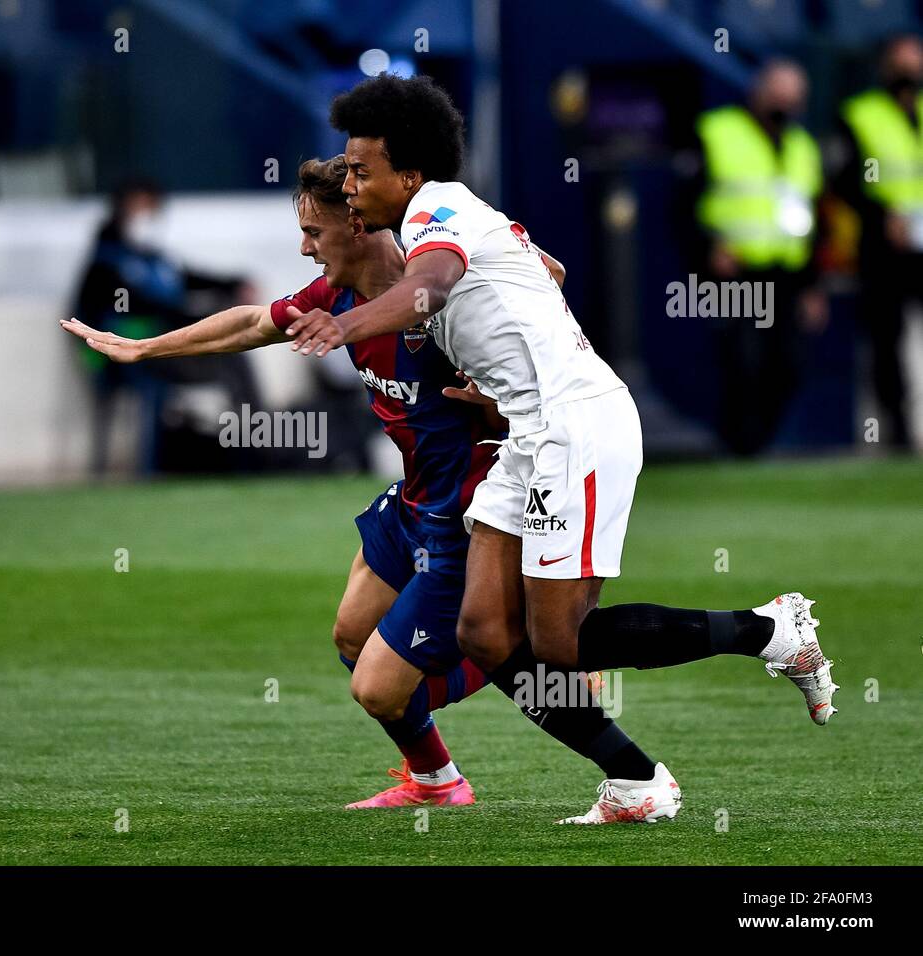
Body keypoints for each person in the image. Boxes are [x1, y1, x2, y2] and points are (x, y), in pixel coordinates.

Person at [285, 75, 838, 824]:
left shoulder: (437, 211)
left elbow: (434, 288)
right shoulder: (442, 219)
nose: (347, 184)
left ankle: (768, 630)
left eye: (360, 169)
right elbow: (544, 275)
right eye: (346, 169)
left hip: (577, 430)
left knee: (558, 645)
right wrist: (513, 375)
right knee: (483, 632)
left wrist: (345, 327)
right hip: (529, 434)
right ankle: (636, 781)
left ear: (408, 174)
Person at [64, 156, 669, 817]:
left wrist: (503, 393)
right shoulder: (336, 296)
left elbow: (539, 272)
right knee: (352, 636)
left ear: (357, 225)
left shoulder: (435, 287)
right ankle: (439, 781)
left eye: (313, 230)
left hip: (465, 509)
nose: (303, 246)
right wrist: (142, 349)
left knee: (383, 687)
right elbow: (249, 323)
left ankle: (541, 666)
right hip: (412, 498)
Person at [72, 177, 260, 474]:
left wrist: (235, 283)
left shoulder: (155, 260)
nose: (149, 218)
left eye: (153, 210)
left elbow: (190, 279)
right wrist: (197, 318)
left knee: (236, 359)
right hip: (122, 361)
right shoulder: (105, 264)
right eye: (142, 209)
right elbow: (146, 305)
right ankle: (152, 470)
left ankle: (253, 456)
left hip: (162, 352)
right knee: (220, 361)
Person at [687, 59, 827, 455]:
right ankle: (739, 447)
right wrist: (707, 250)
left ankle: (754, 445)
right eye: (778, 92)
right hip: (736, 274)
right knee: (742, 364)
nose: (784, 102)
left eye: (793, 95)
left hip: (787, 275)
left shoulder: (803, 146)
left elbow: (814, 220)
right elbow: (682, 205)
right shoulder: (718, 132)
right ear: (758, 92)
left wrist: (813, 284)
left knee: (790, 367)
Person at [834, 34, 923, 450]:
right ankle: (898, 430)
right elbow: (844, 178)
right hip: (884, 247)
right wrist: (880, 215)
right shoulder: (861, 114)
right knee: (887, 340)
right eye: (901, 64)